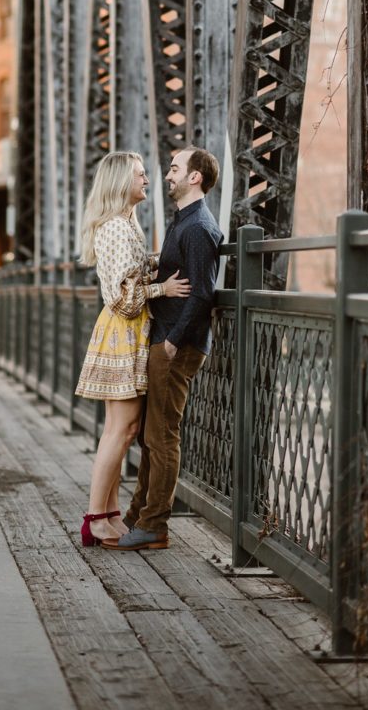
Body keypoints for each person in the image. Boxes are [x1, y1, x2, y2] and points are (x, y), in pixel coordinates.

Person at [102, 146, 223, 552]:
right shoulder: (182, 221)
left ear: (195, 177)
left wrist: (172, 342)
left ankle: (154, 524)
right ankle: (139, 515)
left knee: (162, 436)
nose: (167, 176)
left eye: (174, 169)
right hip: (164, 337)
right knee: (150, 437)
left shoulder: (198, 227)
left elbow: (202, 294)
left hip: (176, 344)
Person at [75, 151, 191, 546]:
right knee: (122, 430)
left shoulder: (125, 224)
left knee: (121, 429)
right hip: (123, 331)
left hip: (127, 333)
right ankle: (94, 518)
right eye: (140, 174)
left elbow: (130, 274)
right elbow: (123, 299)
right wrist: (163, 289)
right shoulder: (116, 229)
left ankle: (108, 513)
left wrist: (158, 263)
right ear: (121, 182)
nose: (147, 180)